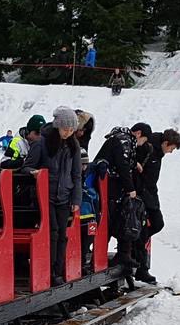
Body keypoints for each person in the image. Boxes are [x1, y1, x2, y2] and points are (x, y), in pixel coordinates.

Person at [24, 107, 82, 285]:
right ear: (58, 126)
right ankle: (48, 270)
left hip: (64, 196)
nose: (68, 133)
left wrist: (76, 199)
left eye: (71, 130)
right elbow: (26, 166)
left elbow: (76, 174)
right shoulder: (41, 143)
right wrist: (34, 172)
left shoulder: (73, 146)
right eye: (66, 129)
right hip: (45, 196)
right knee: (53, 231)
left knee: (62, 233)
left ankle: (58, 270)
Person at [132, 126, 180, 284]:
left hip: (151, 194)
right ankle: (141, 267)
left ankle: (137, 250)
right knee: (144, 228)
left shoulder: (158, 152)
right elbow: (137, 169)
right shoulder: (149, 148)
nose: (171, 152)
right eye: (171, 149)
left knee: (156, 224)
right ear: (166, 143)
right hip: (142, 195)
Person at [93, 125, 138, 272]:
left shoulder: (118, 139)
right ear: (139, 134)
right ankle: (104, 256)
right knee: (111, 221)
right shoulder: (123, 141)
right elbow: (122, 165)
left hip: (111, 188)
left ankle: (116, 254)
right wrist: (131, 188)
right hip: (111, 188)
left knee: (116, 220)